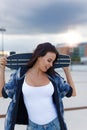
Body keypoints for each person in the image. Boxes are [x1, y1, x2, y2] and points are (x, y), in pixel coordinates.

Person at [0, 42, 76, 130]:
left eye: (53, 62)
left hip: (55, 125)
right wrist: (2, 69)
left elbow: (73, 93)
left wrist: (67, 70)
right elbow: (2, 94)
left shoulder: (54, 77)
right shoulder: (20, 75)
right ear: (39, 56)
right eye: (49, 60)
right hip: (33, 126)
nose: (51, 65)